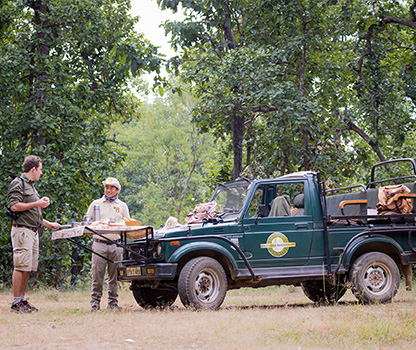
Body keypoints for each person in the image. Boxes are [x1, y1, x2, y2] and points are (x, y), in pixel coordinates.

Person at [7, 155, 62, 313]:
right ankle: (15, 302)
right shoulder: (18, 183)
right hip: (22, 231)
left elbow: (32, 212)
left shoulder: (32, 186)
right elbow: (14, 206)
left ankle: (22, 301)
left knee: (27, 267)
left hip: (32, 231)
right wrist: (38, 203)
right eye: (40, 170)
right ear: (33, 169)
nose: (41, 173)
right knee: (20, 266)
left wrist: (49, 224)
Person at [86, 177, 130, 311]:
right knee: (97, 274)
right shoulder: (96, 203)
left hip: (116, 244)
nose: (108, 190)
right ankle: (95, 302)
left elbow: (127, 223)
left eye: (111, 188)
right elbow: (87, 220)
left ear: (117, 190)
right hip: (99, 242)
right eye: (106, 187)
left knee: (114, 275)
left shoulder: (122, 205)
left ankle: (113, 303)